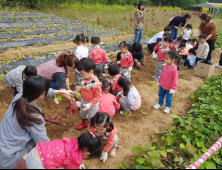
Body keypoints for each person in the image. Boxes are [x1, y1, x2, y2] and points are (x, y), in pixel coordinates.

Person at [0, 76, 73, 169]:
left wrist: (62, 91)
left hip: (2, 144)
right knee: (42, 157)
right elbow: (43, 142)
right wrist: (61, 152)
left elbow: (40, 94)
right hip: (9, 158)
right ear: (40, 94)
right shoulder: (34, 117)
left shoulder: (19, 96)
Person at [26, 132, 102, 169]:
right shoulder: (74, 160)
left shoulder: (71, 141)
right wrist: (77, 164)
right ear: (86, 154)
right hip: (37, 166)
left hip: (33, 153)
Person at [75, 58, 102, 130]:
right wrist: (76, 91)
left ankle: (92, 130)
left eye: (82, 74)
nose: (81, 75)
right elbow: (82, 86)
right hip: (84, 100)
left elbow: (99, 96)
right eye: (80, 73)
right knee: (82, 113)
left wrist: (90, 104)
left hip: (92, 103)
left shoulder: (95, 83)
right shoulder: (84, 78)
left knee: (92, 117)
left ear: (91, 71)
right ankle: (84, 123)